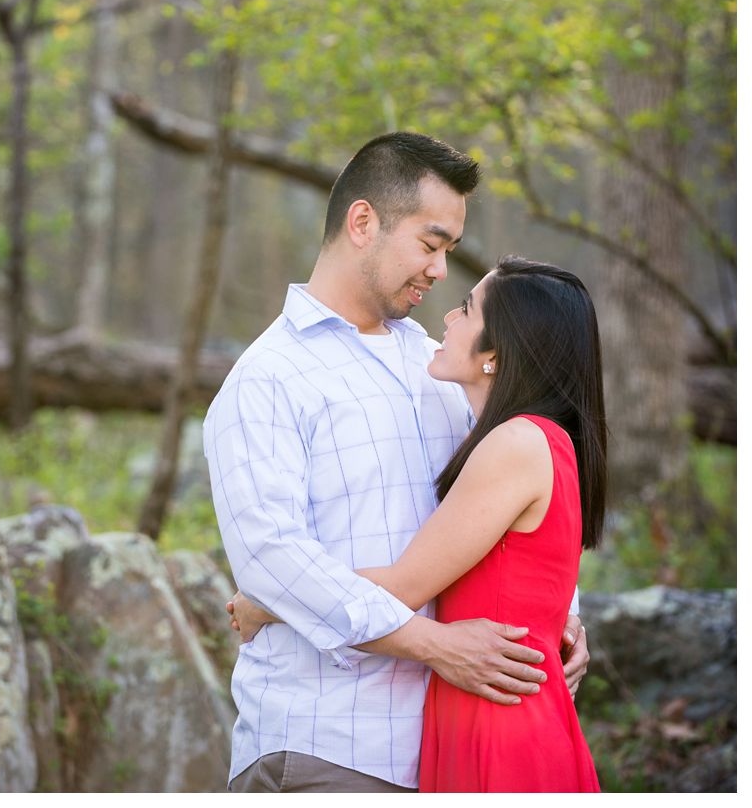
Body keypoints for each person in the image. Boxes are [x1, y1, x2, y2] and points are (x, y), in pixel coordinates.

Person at [202, 131, 590, 793]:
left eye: (449, 252)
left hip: (456, 748)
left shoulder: (438, 365)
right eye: (430, 243)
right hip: (328, 748)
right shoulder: (268, 380)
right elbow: (274, 559)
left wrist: (562, 614)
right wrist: (432, 643)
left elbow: (512, 507)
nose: (441, 271)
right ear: (363, 222)